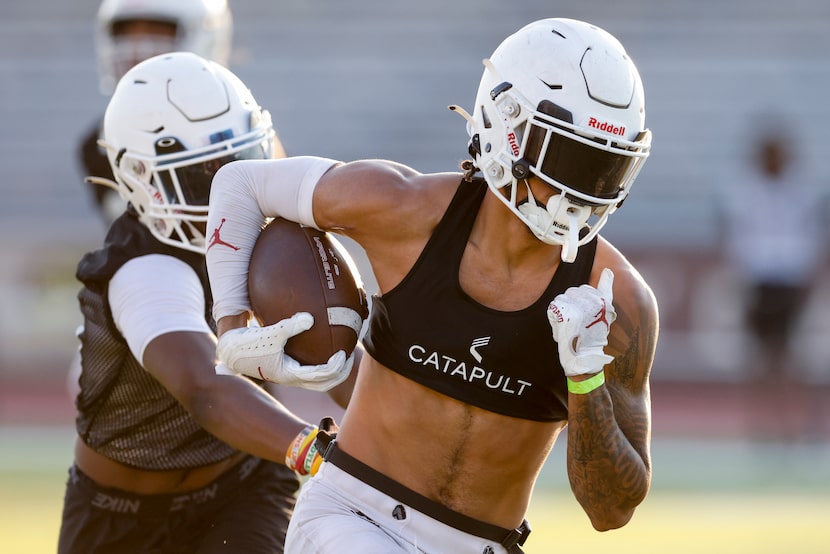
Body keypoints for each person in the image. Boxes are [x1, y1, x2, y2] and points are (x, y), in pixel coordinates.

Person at [205, 18, 658, 554]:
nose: (579, 195)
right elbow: (242, 184)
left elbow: (611, 511)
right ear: (503, 125)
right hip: (353, 516)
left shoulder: (619, 298)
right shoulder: (406, 209)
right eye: (570, 161)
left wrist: (585, 378)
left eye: (604, 170)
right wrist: (231, 327)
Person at [58, 52, 356, 554]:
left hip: (245, 490)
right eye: (205, 176)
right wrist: (320, 450)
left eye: (242, 163)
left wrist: (404, 433)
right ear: (141, 178)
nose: (232, 190)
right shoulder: (143, 265)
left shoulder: (270, 242)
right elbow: (204, 386)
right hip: (120, 515)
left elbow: (342, 364)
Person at [78, 0, 236, 225]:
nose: (137, 50)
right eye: (128, 34)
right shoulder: (100, 143)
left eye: (158, 32)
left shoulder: (240, 125)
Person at [720, 125, 827, 440]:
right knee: (760, 360)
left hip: (789, 280)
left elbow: (811, 239)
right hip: (760, 281)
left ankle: (803, 423)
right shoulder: (745, 194)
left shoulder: (801, 194)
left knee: (792, 358)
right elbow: (738, 241)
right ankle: (766, 426)